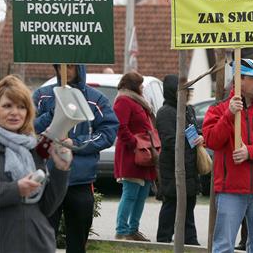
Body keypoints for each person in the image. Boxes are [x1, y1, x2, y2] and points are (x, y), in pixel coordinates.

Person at [203, 58, 253, 253]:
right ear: (239, 80)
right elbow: (212, 141)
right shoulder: (218, 110)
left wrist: (250, 152)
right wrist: (229, 115)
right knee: (223, 246)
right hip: (230, 189)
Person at [33, 64, 119, 253]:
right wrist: (52, 115)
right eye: (61, 66)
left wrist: (76, 143)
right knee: (43, 240)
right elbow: (29, 126)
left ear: (79, 68)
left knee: (77, 242)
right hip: (47, 181)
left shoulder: (96, 99)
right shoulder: (43, 95)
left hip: (80, 181)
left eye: (70, 66)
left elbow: (107, 133)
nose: (66, 70)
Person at [0, 75, 72, 253]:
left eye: (21, 107)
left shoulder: (32, 149)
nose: (15, 112)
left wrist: (61, 170)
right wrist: (16, 189)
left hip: (38, 243)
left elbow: (47, 207)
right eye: (7, 106)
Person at [113, 72, 159, 241]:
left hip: (145, 153)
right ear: (132, 85)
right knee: (131, 193)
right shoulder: (123, 101)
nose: (142, 87)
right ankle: (122, 229)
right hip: (131, 154)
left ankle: (133, 229)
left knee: (142, 193)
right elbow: (121, 128)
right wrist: (135, 143)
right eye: (140, 84)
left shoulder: (138, 100)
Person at [156, 75, 201, 246]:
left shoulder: (188, 110)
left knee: (189, 203)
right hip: (172, 167)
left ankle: (190, 241)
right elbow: (169, 141)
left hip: (190, 165)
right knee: (172, 204)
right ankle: (163, 240)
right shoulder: (166, 112)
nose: (188, 94)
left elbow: (195, 130)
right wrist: (190, 143)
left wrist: (200, 137)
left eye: (189, 90)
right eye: (185, 90)